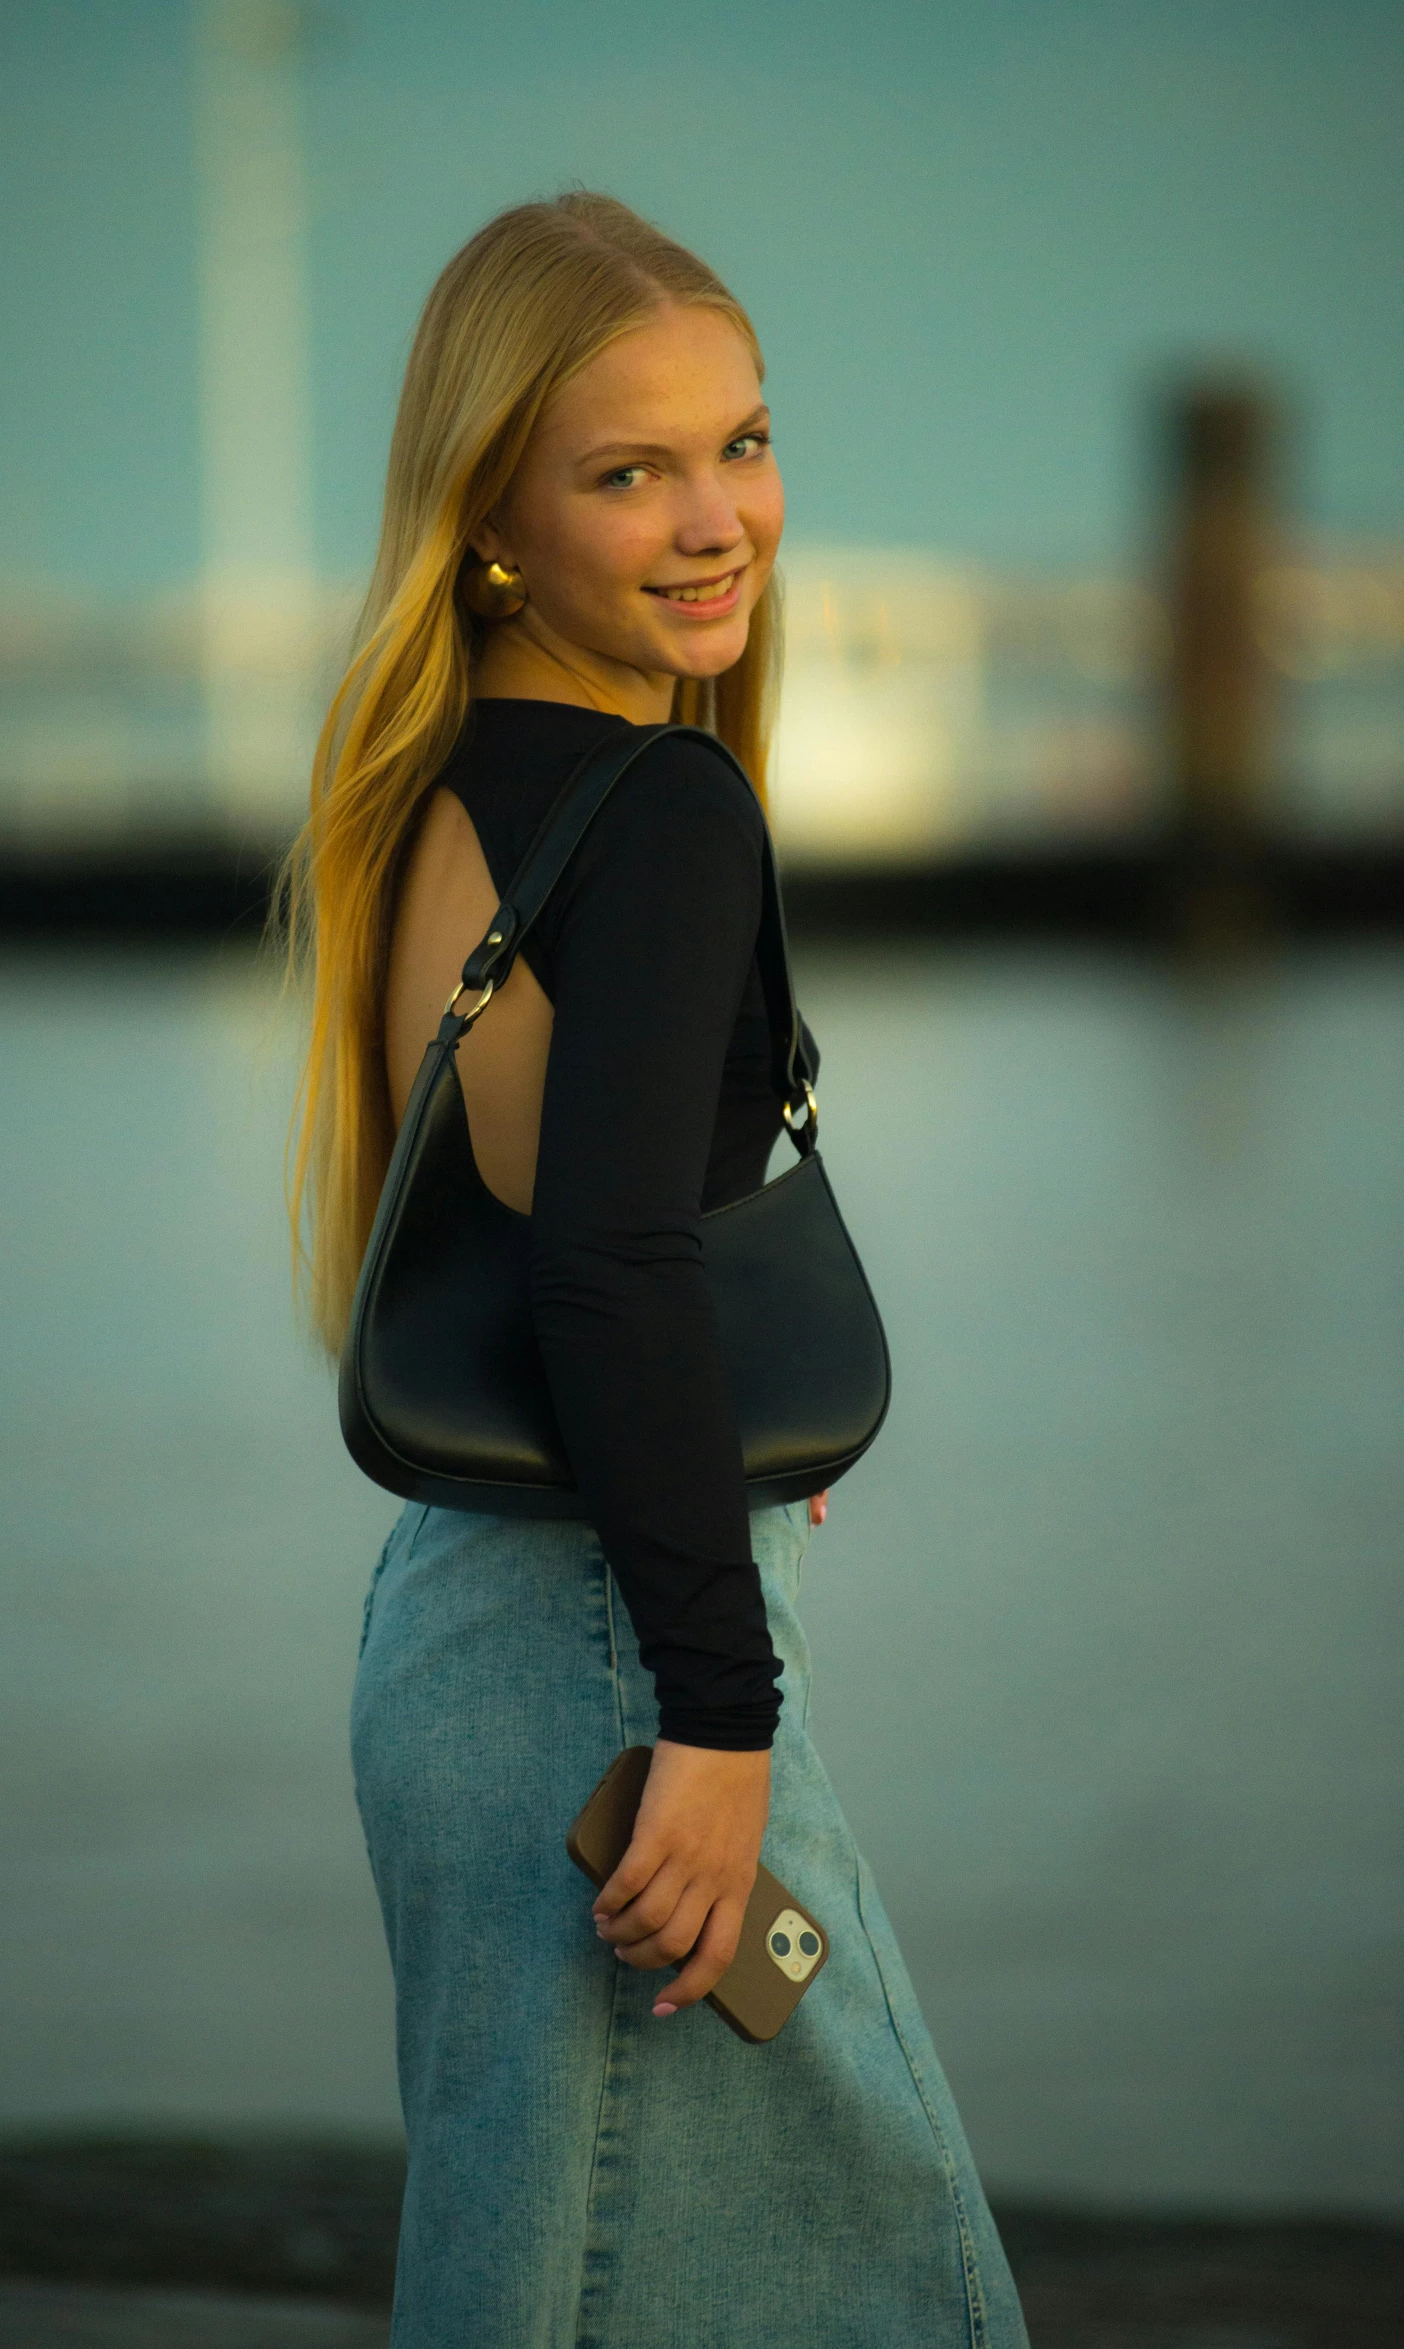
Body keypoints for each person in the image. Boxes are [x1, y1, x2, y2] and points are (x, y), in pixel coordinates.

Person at [283, 193, 1027, 2349]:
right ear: (494, 511)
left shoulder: (435, 786)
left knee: (542, 2278)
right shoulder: (668, 804)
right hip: (619, 1662)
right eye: (631, 472)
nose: (719, 520)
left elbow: (527, 1242)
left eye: (744, 443)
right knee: (868, 2283)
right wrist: (720, 1705)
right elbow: (612, 1264)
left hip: (467, 1624)